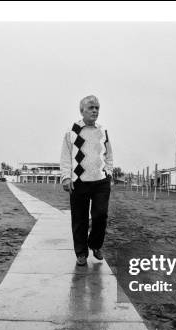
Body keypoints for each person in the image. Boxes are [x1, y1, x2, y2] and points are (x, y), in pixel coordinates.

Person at [60, 95, 113, 266]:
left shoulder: (103, 131)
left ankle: (96, 245)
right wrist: (66, 177)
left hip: (100, 182)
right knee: (79, 218)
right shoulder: (72, 131)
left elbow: (109, 154)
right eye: (91, 108)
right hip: (79, 181)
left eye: (97, 108)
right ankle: (81, 253)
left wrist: (109, 173)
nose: (95, 111)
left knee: (100, 215)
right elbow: (65, 156)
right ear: (82, 110)